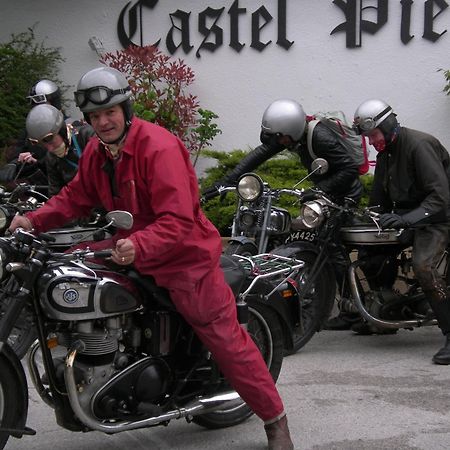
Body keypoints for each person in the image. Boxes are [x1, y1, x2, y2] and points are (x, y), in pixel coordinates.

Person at [9, 66, 294, 449]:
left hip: (183, 258)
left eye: (110, 112)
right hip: (129, 249)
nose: (103, 121)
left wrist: (140, 244)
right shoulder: (97, 150)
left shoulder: (158, 147)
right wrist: (31, 219)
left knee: (224, 338)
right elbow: (75, 197)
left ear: (125, 109)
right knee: (67, 270)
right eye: (95, 116)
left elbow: (177, 219)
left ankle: (276, 420)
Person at [203, 98, 364, 330]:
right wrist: (224, 183)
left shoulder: (320, 137)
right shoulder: (291, 135)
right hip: (325, 190)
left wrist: (319, 190)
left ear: (291, 130)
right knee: (314, 242)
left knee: (332, 245)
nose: (279, 143)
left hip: (345, 193)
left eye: (281, 138)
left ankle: (353, 310)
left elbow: (349, 168)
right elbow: (258, 155)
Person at [353, 98, 450, 364]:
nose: (371, 142)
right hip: (409, 217)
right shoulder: (387, 153)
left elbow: (440, 197)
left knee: (424, 267)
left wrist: (408, 219)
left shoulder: (419, 145)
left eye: (372, 135)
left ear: (388, 126)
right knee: (369, 250)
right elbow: (379, 198)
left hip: (439, 219)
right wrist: (367, 216)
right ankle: (385, 313)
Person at [25, 103, 95, 196]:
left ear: (61, 131)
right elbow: (56, 193)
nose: (50, 149)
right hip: (83, 204)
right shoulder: (51, 158)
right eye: (44, 145)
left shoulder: (87, 136)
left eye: (51, 142)